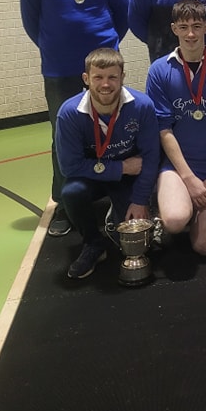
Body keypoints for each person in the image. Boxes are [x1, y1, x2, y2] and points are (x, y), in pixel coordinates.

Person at [20, 0, 129, 238]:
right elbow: (31, 21)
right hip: (59, 69)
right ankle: (65, 204)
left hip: (104, 69)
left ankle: (113, 195)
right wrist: (56, 47)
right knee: (62, 134)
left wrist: (103, 53)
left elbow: (122, 13)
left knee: (112, 130)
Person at [145, 0, 206, 256]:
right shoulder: (159, 70)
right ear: (174, 29)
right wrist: (189, 179)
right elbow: (163, 128)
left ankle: (192, 208)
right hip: (177, 167)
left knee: (204, 248)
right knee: (175, 220)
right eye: (184, 27)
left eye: (197, 26)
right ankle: (173, 205)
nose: (191, 34)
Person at [55, 48, 160, 279]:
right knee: (71, 192)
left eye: (112, 77)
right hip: (95, 176)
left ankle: (127, 210)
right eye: (98, 77)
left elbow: (151, 156)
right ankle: (93, 243)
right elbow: (69, 167)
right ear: (86, 79)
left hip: (129, 179)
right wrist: (121, 167)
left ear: (122, 77)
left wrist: (140, 199)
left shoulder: (142, 106)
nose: (105, 84)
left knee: (138, 241)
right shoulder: (69, 113)